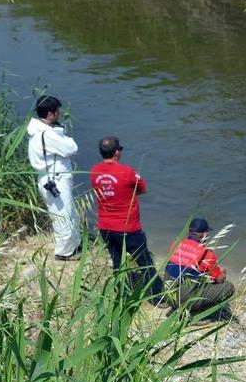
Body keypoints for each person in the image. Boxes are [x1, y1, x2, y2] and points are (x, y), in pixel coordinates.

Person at [90, 136, 164, 301]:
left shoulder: (94, 171)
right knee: (145, 263)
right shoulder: (128, 172)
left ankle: (121, 293)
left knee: (117, 262)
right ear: (117, 152)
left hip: (105, 227)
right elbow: (143, 189)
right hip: (128, 228)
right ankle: (157, 298)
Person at [27, 95, 82, 260]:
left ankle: (74, 244)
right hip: (55, 179)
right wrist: (60, 133)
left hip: (50, 178)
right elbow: (71, 148)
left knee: (67, 212)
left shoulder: (39, 130)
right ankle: (64, 253)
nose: (58, 114)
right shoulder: (46, 133)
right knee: (62, 216)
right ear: (50, 114)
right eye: (57, 112)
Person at [165, 218, 234, 316]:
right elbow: (219, 280)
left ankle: (176, 306)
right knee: (228, 287)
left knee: (192, 277)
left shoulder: (175, 244)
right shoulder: (206, 254)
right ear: (204, 235)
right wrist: (223, 272)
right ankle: (193, 313)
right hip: (184, 301)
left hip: (167, 296)